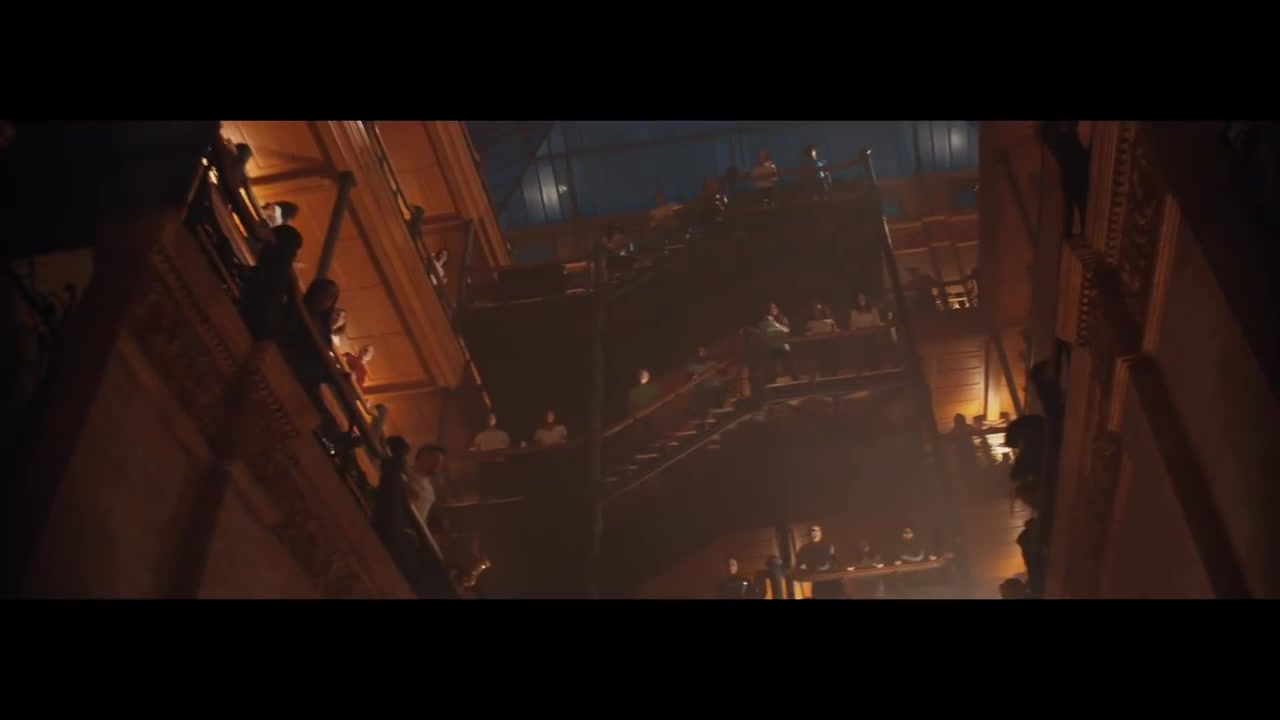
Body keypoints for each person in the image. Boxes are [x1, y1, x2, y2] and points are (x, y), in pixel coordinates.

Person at [1039, 121, 1090, 237]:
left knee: (1076, 201)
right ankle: (1074, 231)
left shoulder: (1060, 136)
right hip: (1074, 169)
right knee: (1077, 201)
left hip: (1075, 169)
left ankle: (1074, 231)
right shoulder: (1058, 135)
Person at [796, 525, 843, 599]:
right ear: (810, 534)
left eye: (817, 531)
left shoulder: (828, 546)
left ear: (821, 533)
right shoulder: (804, 548)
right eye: (813, 531)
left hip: (831, 581)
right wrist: (806, 568)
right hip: (817, 582)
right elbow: (800, 564)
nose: (815, 533)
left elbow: (835, 561)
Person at [407, 444, 446, 525]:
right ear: (423, 456)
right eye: (436, 460)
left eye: (440, 462)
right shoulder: (404, 475)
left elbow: (423, 517)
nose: (438, 465)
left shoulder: (429, 488)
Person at [759, 302, 797, 382]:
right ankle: (771, 383)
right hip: (771, 348)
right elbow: (765, 334)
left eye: (775, 308)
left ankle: (796, 380)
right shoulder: (764, 323)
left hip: (783, 347)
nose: (773, 310)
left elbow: (786, 331)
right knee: (774, 368)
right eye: (771, 308)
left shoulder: (783, 320)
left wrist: (774, 323)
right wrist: (778, 332)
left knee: (790, 365)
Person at [685, 346, 723, 420]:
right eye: (698, 352)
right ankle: (701, 415)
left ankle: (709, 414)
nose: (700, 354)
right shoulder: (692, 366)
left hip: (713, 388)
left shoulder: (712, 363)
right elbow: (689, 380)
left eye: (702, 352)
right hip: (702, 389)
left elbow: (721, 373)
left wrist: (719, 369)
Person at [627, 369, 660, 451]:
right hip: (643, 416)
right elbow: (632, 405)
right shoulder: (635, 391)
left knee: (646, 430)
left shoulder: (634, 391)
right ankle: (644, 447)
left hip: (645, 415)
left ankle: (646, 446)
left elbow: (657, 399)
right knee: (644, 431)